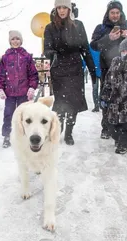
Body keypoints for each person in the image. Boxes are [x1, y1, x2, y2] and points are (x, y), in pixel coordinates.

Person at [43, 0, 96, 145]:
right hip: (59, 68)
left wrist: (92, 71)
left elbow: (85, 49)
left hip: (75, 68)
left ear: (69, 9)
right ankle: (57, 131)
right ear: (55, 9)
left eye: (64, 7)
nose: (61, 10)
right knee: (60, 103)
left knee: (73, 104)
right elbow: (46, 49)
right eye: (59, 7)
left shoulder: (78, 25)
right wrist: (52, 53)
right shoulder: (50, 27)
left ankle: (69, 132)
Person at [90, 0, 127, 139]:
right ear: (108, 13)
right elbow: (93, 45)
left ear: (121, 13)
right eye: (112, 13)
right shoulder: (101, 28)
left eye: (117, 12)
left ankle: (124, 128)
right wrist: (108, 38)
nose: (115, 15)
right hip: (108, 70)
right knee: (107, 98)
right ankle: (106, 127)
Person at [100, 34, 127, 154]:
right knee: (113, 122)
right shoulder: (115, 61)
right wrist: (104, 96)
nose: (126, 53)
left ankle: (124, 144)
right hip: (114, 98)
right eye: (123, 50)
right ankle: (118, 138)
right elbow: (108, 79)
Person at [0, 30, 39, 148]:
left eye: (17, 39)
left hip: (23, 93)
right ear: (10, 41)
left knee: (24, 115)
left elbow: (33, 74)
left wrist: (32, 87)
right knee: (8, 114)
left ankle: (24, 135)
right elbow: (0, 74)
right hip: (9, 93)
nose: (15, 41)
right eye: (13, 39)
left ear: (21, 41)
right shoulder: (5, 57)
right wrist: (0, 88)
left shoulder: (26, 56)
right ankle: (7, 136)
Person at [90, 45, 101, 112]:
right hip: (94, 72)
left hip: (102, 70)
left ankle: (100, 103)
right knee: (95, 89)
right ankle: (96, 105)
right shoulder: (90, 47)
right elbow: (87, 57)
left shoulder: (102, 45)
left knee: (103, 88)